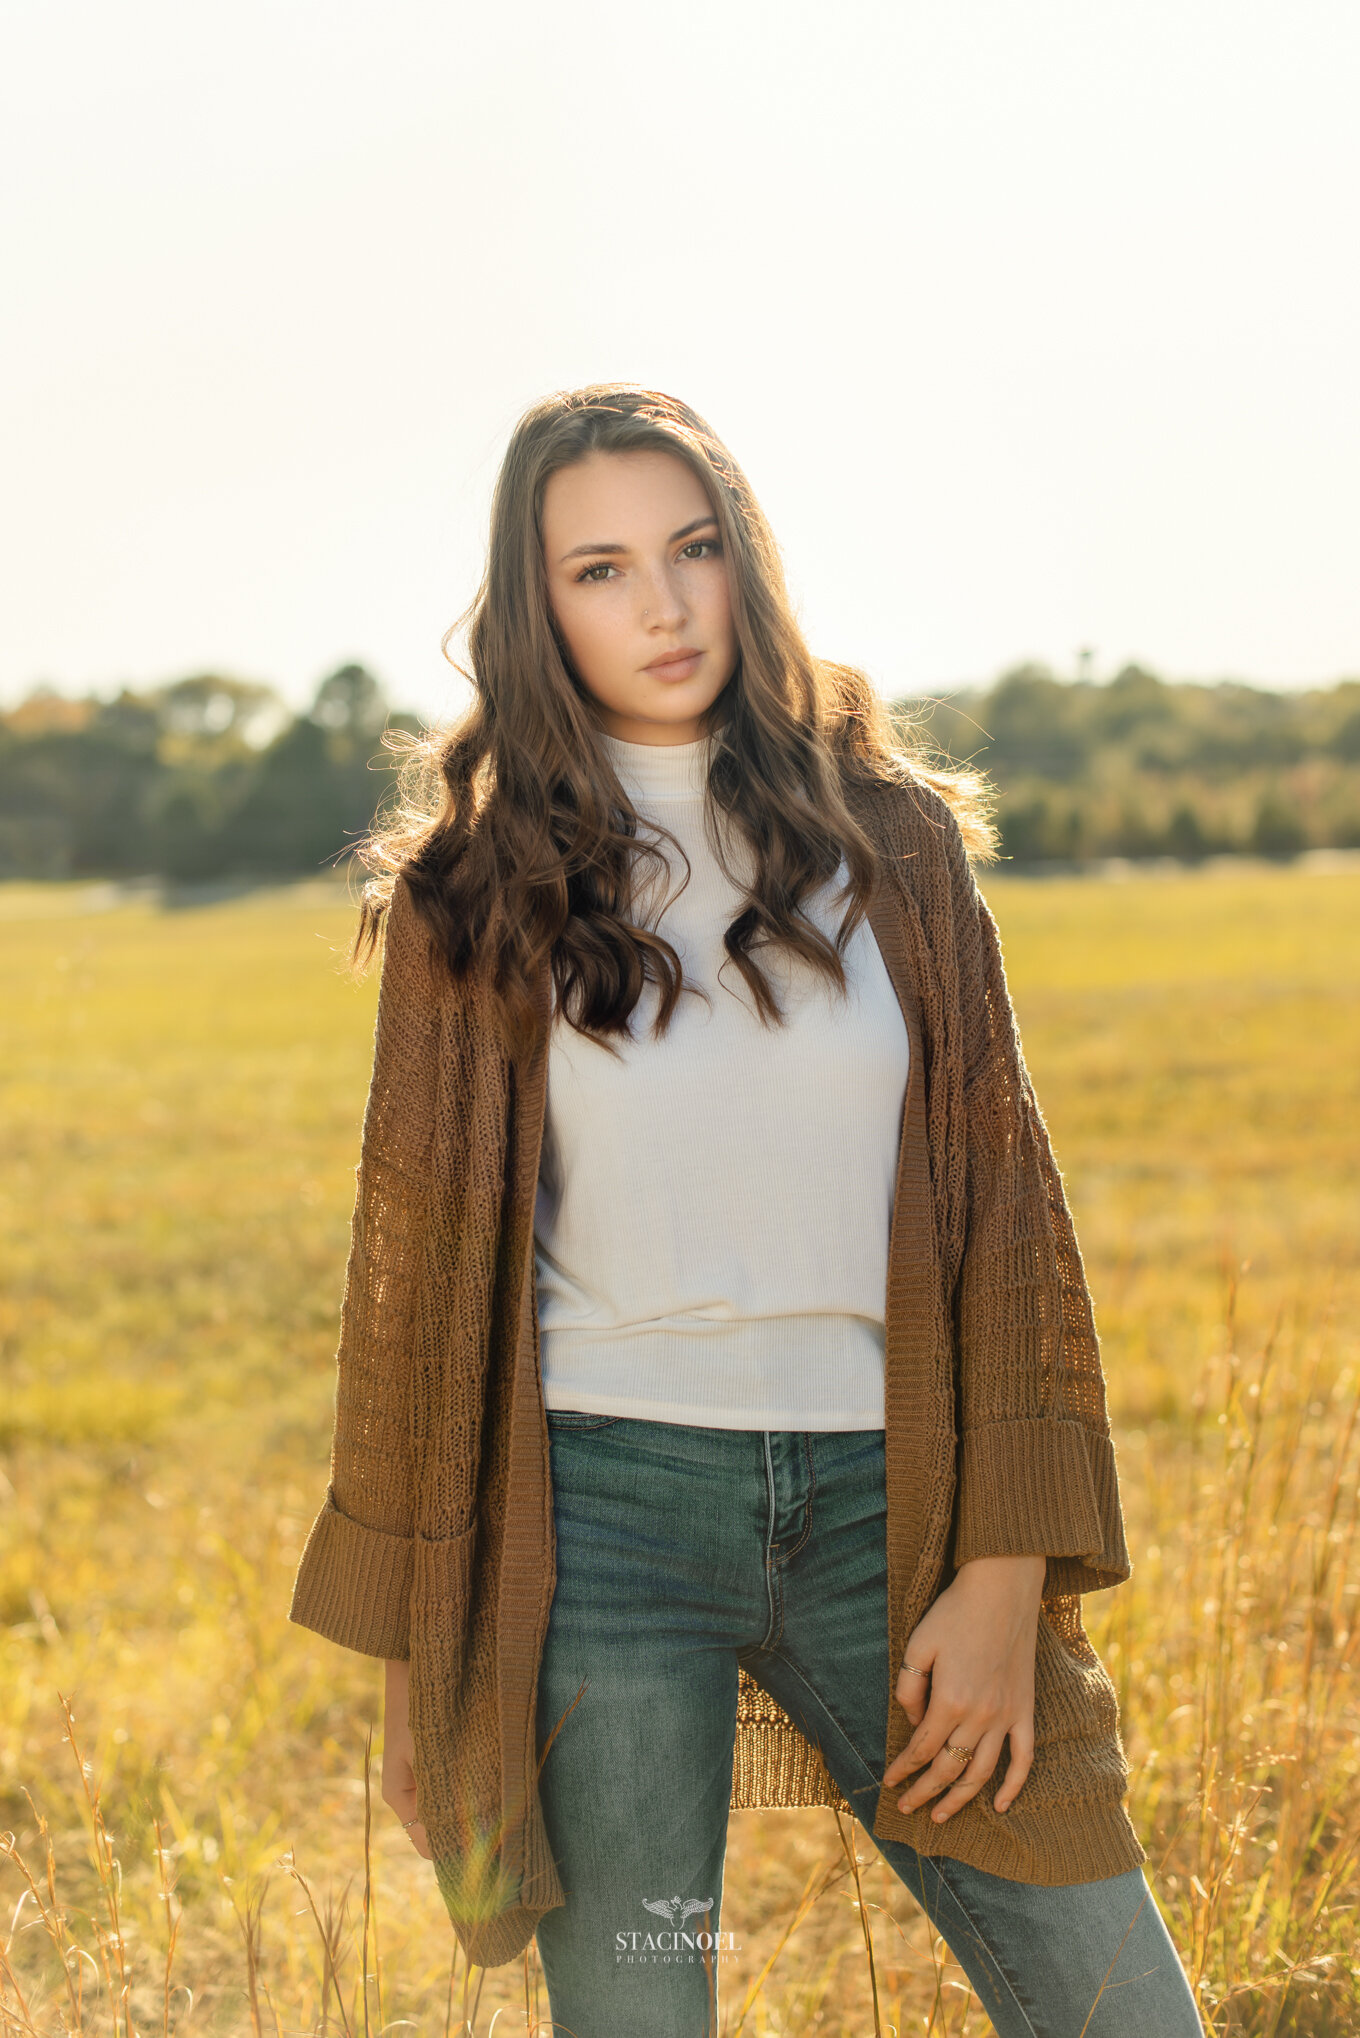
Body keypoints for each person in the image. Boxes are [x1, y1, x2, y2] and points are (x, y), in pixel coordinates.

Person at [290, 383, 1203, 2037]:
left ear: (747, 564)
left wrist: (1004, 1573)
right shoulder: (471, 897)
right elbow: (416, 1295)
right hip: (604, 1527)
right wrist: (429, 1660)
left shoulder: (900, 848)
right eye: (601, 568)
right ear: (534, 601)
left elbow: (1005, 1217)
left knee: (1122, 2007)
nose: (661, 604)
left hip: (894, 1511)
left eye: (694, 550)